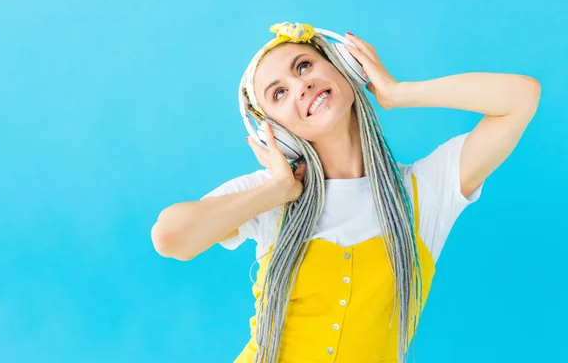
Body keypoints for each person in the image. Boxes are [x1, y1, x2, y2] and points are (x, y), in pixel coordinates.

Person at [151, 22, 541, 363]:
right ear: (276, 131)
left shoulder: (426, 192)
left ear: (343, 67)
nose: (301, 85)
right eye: (279, 94)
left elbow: (521, 98)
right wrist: (276, 191)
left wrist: (397, 92)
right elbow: (170, 238)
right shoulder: (269, 194)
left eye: (303, 66)